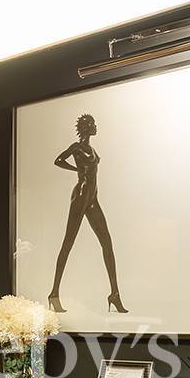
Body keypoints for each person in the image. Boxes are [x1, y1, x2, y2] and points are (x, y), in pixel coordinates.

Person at [48, 113, 127, 314]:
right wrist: (76, 170)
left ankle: (115, 294)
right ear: (85, 127)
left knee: (107, 243)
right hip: (81, 195)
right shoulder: (76, 147)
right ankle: (54, 293)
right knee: (68, 242)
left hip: (92, 198)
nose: (95, 126)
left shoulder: (92, 149)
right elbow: (58, 160)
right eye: (92, 124)